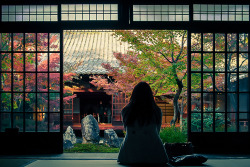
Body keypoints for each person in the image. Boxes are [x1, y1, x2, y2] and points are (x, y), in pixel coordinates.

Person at [117, 82, 169, 165]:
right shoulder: (156, 111)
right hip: (154, 151)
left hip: (130, 152)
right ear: (150, 95)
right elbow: (157, 132)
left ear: (134, 94)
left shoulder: (126, 111)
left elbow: (127, 130)